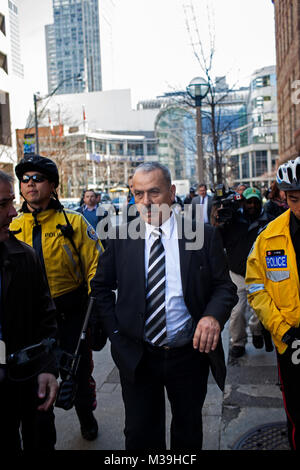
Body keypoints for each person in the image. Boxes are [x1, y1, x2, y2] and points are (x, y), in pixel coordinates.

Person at [90, 161, 237, 450]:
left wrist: (211, 317)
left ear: (171, 193)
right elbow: (100, 288)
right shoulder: (120, 238)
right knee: (140, 434)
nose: (146, 202)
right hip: (138, 356)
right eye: (139, 194)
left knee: (188, 431)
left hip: (189, 356)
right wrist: (117, 337)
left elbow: (225, 287)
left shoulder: (203, 236)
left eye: (154, 193)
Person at [10, 155, 104, 441]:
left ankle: (86, 416)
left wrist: (95, 308)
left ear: (53, 185)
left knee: (78, 375)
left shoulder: (73, 222)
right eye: (24, 180)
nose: (30, 184)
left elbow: (97, 265)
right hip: (28, 318)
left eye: (37, 178)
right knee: (34, 378)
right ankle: (41, 426)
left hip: (71, 314)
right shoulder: (10, 225)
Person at [0, 170, 58, 451]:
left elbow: (45, 318)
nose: (12, 212)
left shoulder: (25, 257)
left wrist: (48, 368)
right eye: (2, 205)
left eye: (11, 201)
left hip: (28, 379)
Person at [246, 157, 300, 450]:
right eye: (293, 199)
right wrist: (282, 330)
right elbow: (255, 286)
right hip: (291, 340)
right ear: (282, 196)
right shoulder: (269, 236)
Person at [213, 186, 274, 358]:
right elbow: (218, 239)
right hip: (237, 273)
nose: (252, 205)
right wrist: (219, 222)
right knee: (237, 311)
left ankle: (257, 331)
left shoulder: (269, 222)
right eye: (249, 202)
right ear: (243, 203)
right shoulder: (233, 220)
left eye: (255, 202)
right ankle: (238, 342)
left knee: (260, 310)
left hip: (261, 274)